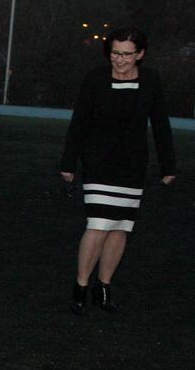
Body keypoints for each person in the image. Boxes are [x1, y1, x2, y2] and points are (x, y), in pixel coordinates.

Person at [60, 27, 176, 315]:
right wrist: (68, 162)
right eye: (115, 53)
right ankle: (81, 286)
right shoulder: (96, 79)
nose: (119, 59)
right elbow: (79, 122)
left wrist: (168, 164)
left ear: (140, 54)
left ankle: (104, 285)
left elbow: (160, 123)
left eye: (126, 54)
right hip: (98, 163)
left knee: (121, 227)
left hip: (132, 165)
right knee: (98, 224)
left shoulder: (150, 81)